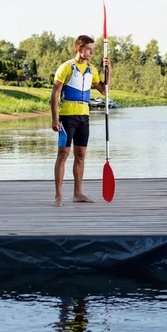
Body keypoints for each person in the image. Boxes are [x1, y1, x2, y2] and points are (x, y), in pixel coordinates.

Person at [51, 35, 111, 206]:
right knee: (63, 154)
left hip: (84, 117)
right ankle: (58, 195)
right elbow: (55, 94)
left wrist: (109, 70)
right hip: (67, 117)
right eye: (89, 49)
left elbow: (104, 91)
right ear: (79, 49)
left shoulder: (92, 69)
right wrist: (55, 119)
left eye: (93, 49)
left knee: (81, 155)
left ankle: (78, 193)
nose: (92, 52)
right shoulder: (66, 68)